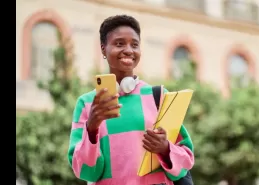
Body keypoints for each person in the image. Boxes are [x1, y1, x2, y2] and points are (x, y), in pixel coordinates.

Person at [67, 15, 194, 185]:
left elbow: (186, 160)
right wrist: (91, 129)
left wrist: (165, 149)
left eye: (134, 45)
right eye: (119, 43)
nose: (128, 50)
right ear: (103, 49)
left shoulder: (159, 96)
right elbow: (86, 172)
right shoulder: (87, 104)